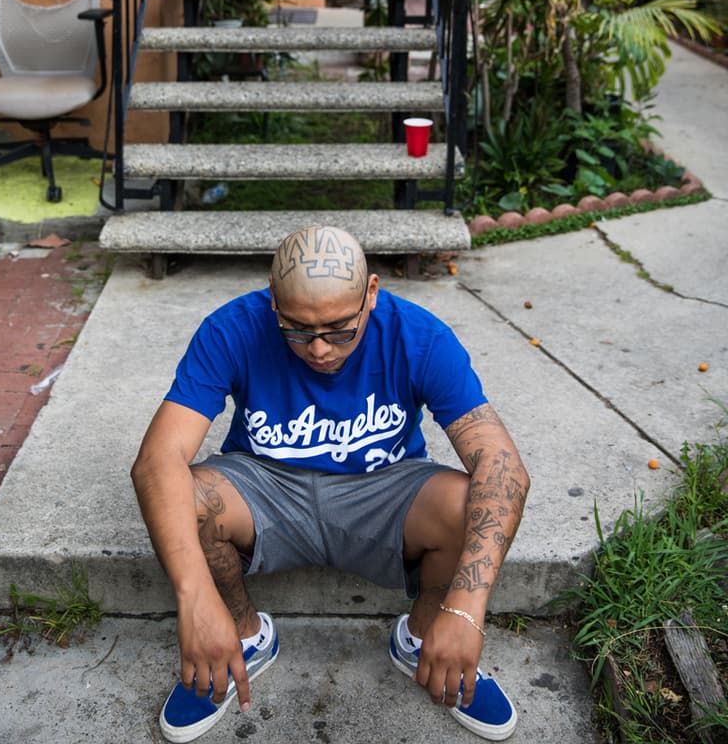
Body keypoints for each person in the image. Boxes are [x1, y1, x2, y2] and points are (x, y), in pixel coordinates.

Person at [132, 225, 530, 742]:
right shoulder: (232, 328)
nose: (319, 349)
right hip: (265, 484)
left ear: (371, 293)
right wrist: (194, 598)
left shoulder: (421, 336)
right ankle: (240, 635)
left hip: (385, 487)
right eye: (297, 330)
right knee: (187, 495)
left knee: (466, 502)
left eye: (342, 330)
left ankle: (428, 635)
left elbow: (502, 464)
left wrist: (467, 610)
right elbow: (156, 459)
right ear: (273, 302)